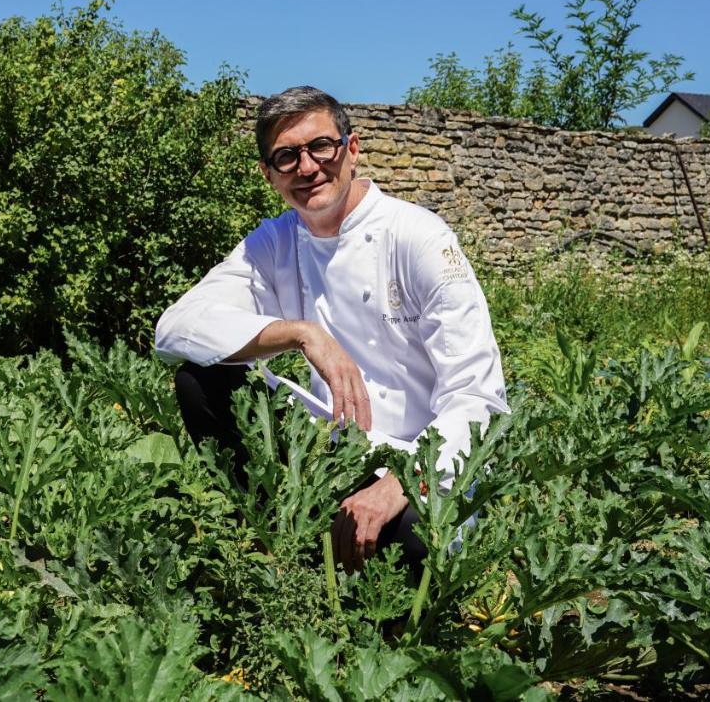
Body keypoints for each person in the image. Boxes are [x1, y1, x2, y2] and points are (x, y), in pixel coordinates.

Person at [154, 86, 506, 573]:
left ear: (352, 149)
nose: (307, 167)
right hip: (336, 453)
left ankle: (347, 551)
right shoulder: (275, 242)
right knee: (203, 380)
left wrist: (400, 483)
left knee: (418, 540)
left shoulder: (418, 237)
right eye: (286, 156)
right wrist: (302, 333)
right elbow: (174, 329)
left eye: (321, 146)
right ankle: (271, 542)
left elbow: (478, 397)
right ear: (268, 174)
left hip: (427, 469)